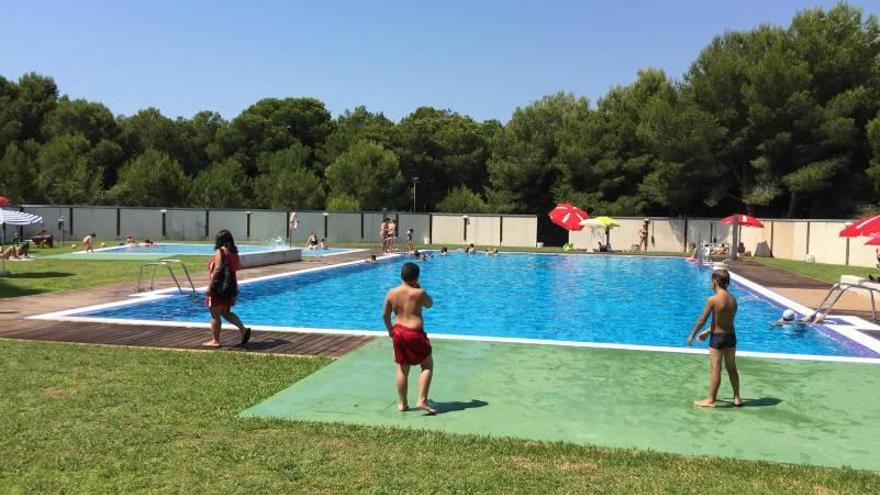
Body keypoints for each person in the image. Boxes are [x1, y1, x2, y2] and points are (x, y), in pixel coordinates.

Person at [383, 262, 436, 415]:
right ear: (416, 278)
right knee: (427, 365)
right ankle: (422, 399)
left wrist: (390, 331)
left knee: (402, 368)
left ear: (402, 276)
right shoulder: (418, 292)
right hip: (415, 333)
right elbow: (429, 304)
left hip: (398, 332)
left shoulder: (392, 293)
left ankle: (402, 403)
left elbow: (385, 314)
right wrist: (419, 288)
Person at [687, 269, 742, 408]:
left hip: (718, 339)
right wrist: (707, 332)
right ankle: (737, 397)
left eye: (712, 281)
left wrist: (692, 334)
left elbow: (702, 319)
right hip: (731, 337)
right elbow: (726, 321)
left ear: (715, 281)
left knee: (715, 368)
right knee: (732, 368)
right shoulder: (733, 300)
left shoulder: (713, 299)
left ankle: (711, 400)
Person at [203, 229, 251, 348]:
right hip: (230, 287)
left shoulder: (221, 251)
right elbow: (236, 269)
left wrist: (210, 286)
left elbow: (218, 268)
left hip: (217, 288)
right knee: (225, 312)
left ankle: (215, 340)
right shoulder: (233, 253)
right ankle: (243, 330)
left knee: (214, 314)